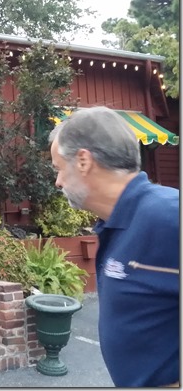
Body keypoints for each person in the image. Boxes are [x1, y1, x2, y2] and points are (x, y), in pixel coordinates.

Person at [48, 106, 179, 387]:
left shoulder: (168, 216)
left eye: (58, 169)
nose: (58, 182)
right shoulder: (116, 223)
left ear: (83, 161)